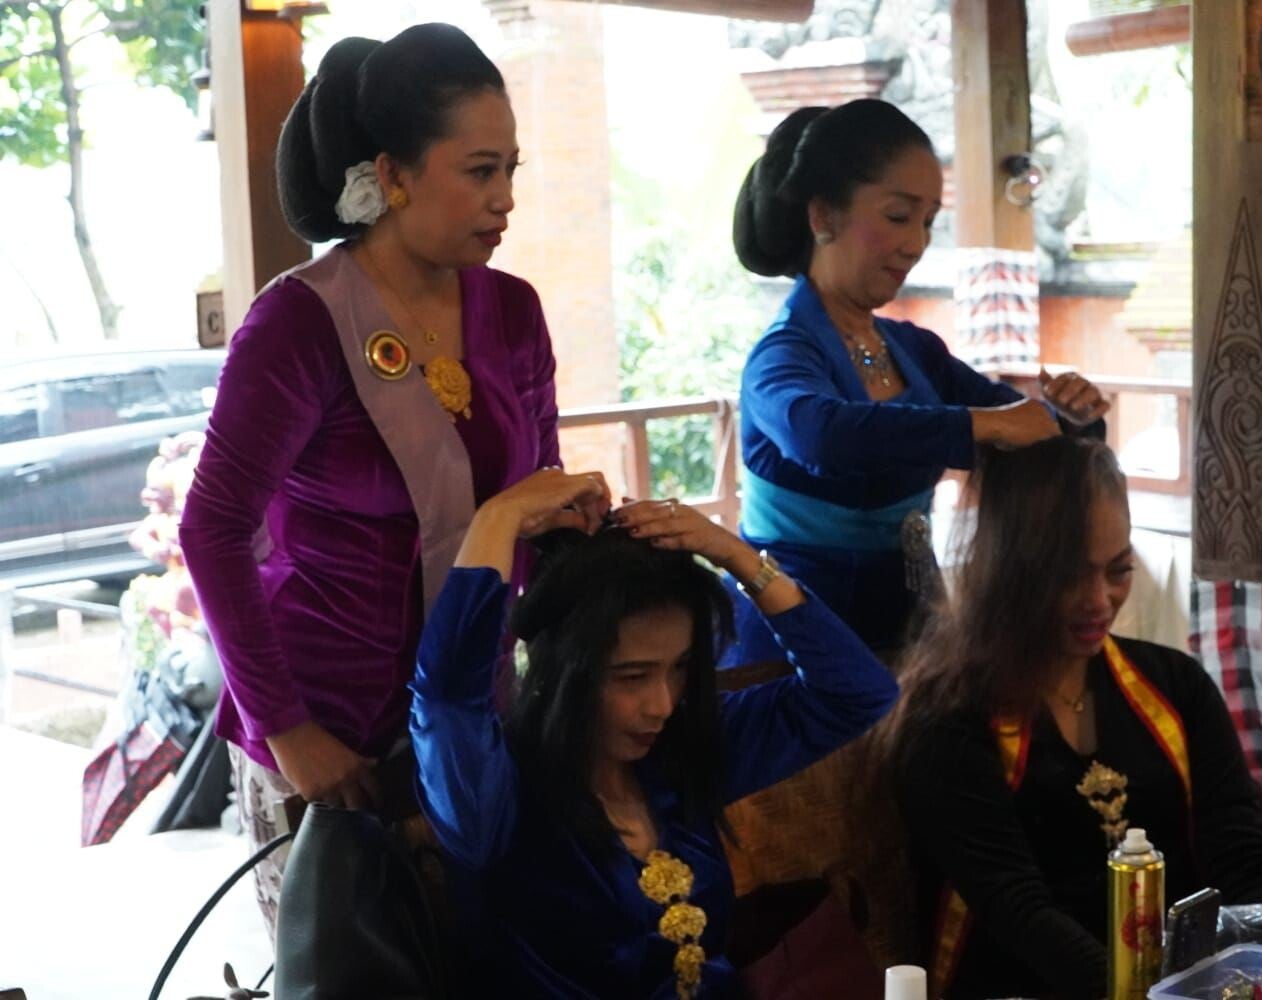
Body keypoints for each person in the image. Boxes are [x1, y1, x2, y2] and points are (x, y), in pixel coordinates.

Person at [178, 23, 606, 932]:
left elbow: (538, 491)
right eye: (480, 171)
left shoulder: (513, 310)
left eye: (512, 171)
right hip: (326, 731)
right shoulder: (298, 323)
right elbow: (210, 531)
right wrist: (290, 731)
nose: (505, 199)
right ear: (393, 174)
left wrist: (573, 521)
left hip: (469, 715)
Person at [409, 470, 899, 996]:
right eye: (632, 677)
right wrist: (497, 519)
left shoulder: (684, 751)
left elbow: (857, 694)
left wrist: (737, 556)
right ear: (563, 672)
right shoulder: (492, 800)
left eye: (680, 667)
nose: (662, 704)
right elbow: (445, 700)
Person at [881, 437, 1262, 999]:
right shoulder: (946, 718)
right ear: (1009, 568)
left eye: (1118, 571)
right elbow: (1018, 910)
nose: (1099, 600)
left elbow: (1241, 859)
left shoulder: (1178, 687)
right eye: (1070, 575)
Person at [727, 99, 1110, 662]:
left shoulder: (915, 350)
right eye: (898, 216)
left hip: (913, 630)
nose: (917, 243)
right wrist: (982, 426)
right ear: (824, 216)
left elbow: (1024, 428)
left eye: (928, 221)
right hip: (796, 644)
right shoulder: (783, 353)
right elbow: (821, 436)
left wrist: (1074, 420)